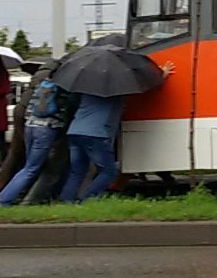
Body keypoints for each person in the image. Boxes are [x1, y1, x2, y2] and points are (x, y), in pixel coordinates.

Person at [59, 61, 175, 203]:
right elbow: (144, 89)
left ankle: (65, 202)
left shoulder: (86, 89)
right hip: (95, 134)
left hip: (74, 131)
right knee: (108, 172)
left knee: (77, 171)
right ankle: (87, 200)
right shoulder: (116, 91)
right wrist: (162, 75)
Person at [0, 62, 77, 207]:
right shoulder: (63, 89)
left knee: (29, 165)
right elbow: (65, 111)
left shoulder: (42, 84)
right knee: (32, 168)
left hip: (30, 126)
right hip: (45, 130)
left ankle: (4, 197)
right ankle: (4, 200)